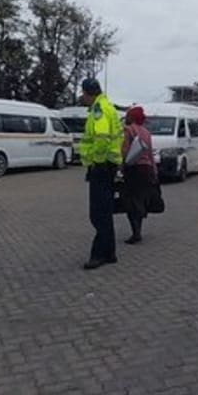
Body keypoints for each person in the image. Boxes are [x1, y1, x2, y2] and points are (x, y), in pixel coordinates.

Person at [79, 78, 123, 270]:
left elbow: (102, 139)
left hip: (101, 166)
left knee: (98, 214)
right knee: (105, 211)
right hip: (109, 165)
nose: (82, 97)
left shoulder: (99, 110)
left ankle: (99, 255)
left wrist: (95, 161)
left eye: (83, 93)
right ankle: (110, 252)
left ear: (89, 93)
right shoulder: (108, 106)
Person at [121, 105, 157, 244]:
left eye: (128, 115)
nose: (126, 118)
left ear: (132, 117)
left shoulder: (129, 130)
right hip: (146, 169)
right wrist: (154, 171)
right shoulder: (147, 132)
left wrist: (121, 166)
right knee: (140, 199)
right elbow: (150, 154)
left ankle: (135, 232)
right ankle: (138, 230)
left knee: (129, 200)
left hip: (133, 169)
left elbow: (125, 150)